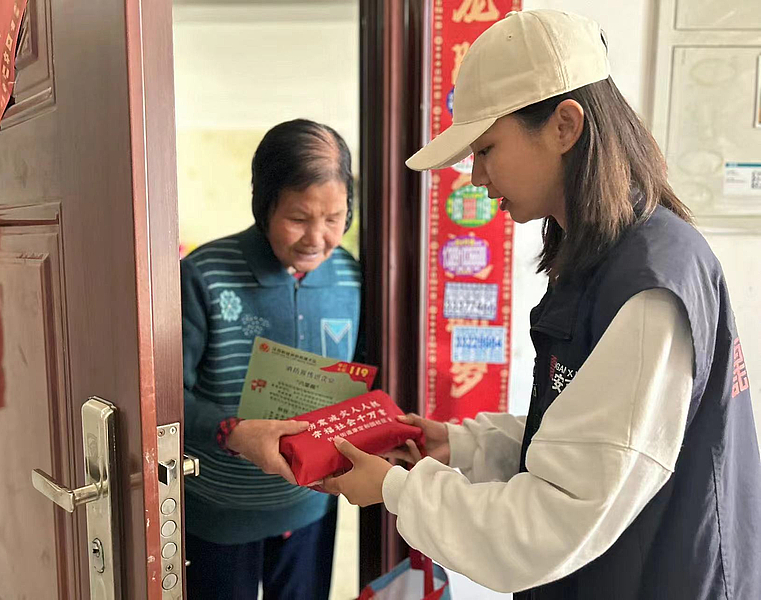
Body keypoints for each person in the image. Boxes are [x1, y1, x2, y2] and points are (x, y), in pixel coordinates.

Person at [322, 9, 761, 599]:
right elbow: (584, 436)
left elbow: (552, 522)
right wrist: (462, 446)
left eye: (486, 149)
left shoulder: (650, 287)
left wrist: (396, 490)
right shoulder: (602, 254)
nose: (476, 177)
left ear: (564, 126)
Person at [181, 119, 362, 600]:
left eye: (335, 218)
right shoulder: (203, 276)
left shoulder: (351, 276)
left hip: (311, 507)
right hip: (220, 515)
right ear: (263, 205)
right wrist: (233, 431)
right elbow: (165, 399)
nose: (317, 238)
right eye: (299, 218)